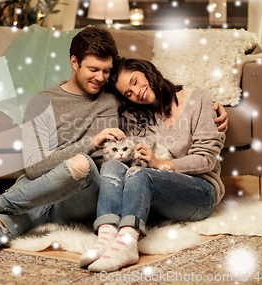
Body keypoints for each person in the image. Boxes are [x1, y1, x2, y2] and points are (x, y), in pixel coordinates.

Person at [0, 28, 228, 280]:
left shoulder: (113, 99)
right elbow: (35, 167)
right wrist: (89, 142)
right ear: (74, 61)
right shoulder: (41, 102)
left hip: (88, 189)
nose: (101, 78)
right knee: (8, 219)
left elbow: (162, 103)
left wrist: (216, 107)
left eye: (106, 72)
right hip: (45, 186)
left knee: (82, 165)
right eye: (94, 69)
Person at [79, 57, 226, 272]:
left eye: (135, 81)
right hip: (157, 193)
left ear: (146, 70)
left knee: (140, 174)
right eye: (128, 93)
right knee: (113, 166)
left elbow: (206, 159)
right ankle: (105, 239)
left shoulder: (198, 99)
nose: (136, 92)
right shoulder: (134, 116)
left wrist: (161, 163)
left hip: (199, 191)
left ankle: (127, 245)